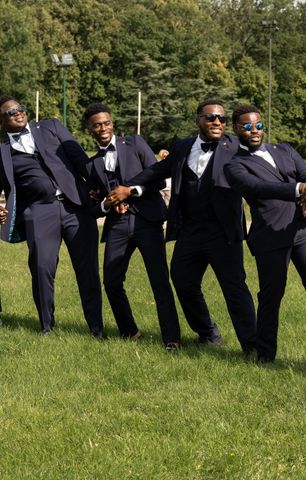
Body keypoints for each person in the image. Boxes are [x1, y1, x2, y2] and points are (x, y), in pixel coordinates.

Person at [107, 99, 256, 353]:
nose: (217, 122)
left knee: (234, 288)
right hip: (190, 230)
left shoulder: (236, 147)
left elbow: (261, 171)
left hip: (223, 232)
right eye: (210, 118)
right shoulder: (184, 146)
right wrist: (129, 188)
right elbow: (158, 170)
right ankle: (207, 331)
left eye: (221, 118)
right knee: (182, 280)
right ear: (198, 120)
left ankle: (253, 347)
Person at [223, 104, 306, 375]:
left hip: (304, 229)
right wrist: (299, 189)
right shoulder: (234, 165)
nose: (255, 130)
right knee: (272, 295)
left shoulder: (284, 150)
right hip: (270, 234)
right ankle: (266, 355)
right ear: (236, 129)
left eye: (258, 125)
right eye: (247, 126)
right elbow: (258, 188)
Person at [0, 96, 104, 337]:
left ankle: (96, 327)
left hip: (76, 206)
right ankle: (47, 325)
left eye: (20, 108)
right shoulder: (2, 151)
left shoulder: (52, 126)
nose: (18, 113)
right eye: (10, 112)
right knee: (42, 267)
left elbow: (81, 161)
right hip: (39, 211)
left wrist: (101, 189)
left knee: (86, 269)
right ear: (2, 122)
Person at [83, 103, 181, 350]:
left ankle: (171, 338)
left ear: (112, 123)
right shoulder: (91, 164)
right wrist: (108, 204)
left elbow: (157, 178)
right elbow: (94, 203)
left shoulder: (135, 143)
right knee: (111, 281)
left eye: (106, 123)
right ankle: (129, 331)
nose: (103, 128)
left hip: (147, 221)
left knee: (159, 281)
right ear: (90, 129)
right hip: (117, 225)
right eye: (97, 125)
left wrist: (131, 193)